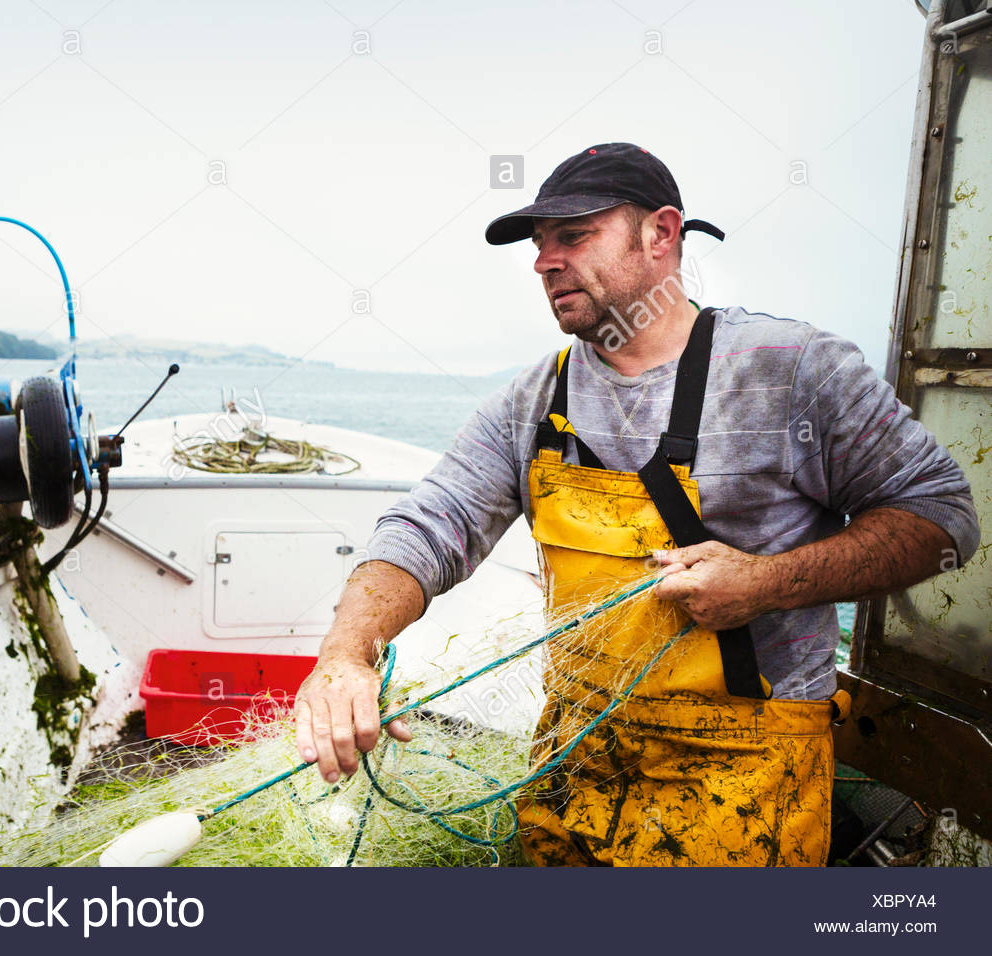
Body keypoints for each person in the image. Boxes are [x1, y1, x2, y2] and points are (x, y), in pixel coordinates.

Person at [292, 142, 980, 866]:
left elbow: (943, 519)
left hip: (742, 783)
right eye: (538, 244)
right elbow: (426, 527)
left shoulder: (794, 371)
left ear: (661, 234)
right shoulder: (534, 401)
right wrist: (346, 655)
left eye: (573, 235)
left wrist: (766, 582)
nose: (543, 262)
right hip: (575, 762)